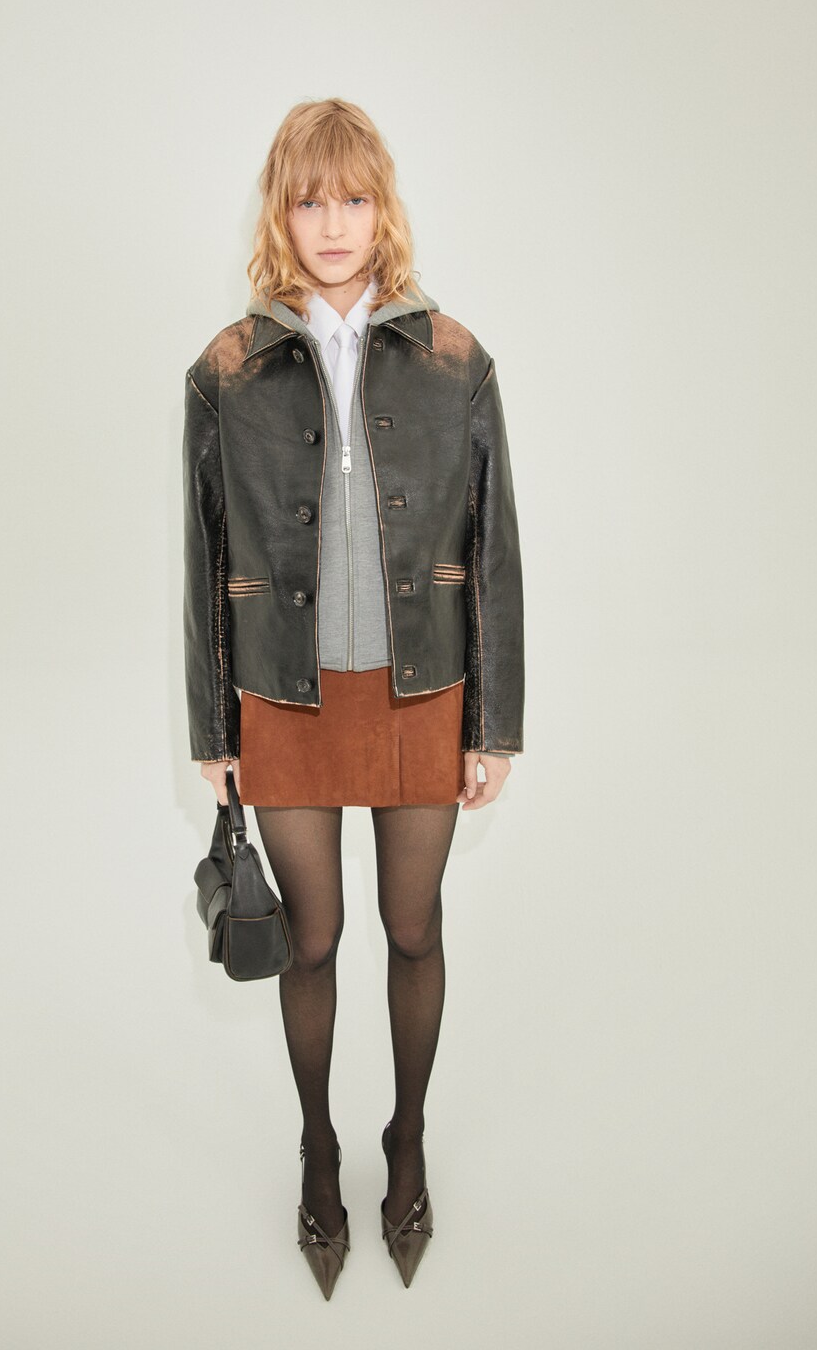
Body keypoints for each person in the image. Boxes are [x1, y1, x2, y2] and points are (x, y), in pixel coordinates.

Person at [182, 98, 525, 1297]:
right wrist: (213, 728)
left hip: (422, 690)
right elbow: (203, 555)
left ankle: (406, 1140)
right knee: (313, 938)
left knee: (414, 928)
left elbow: (493, 550)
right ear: (280, 215)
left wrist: (493, 724)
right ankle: (319, 1150)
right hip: (282, 696)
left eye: (354, 198)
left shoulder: (454, 360)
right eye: (309, 200)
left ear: (384, 209)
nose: (333, 224)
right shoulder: (226, 370)